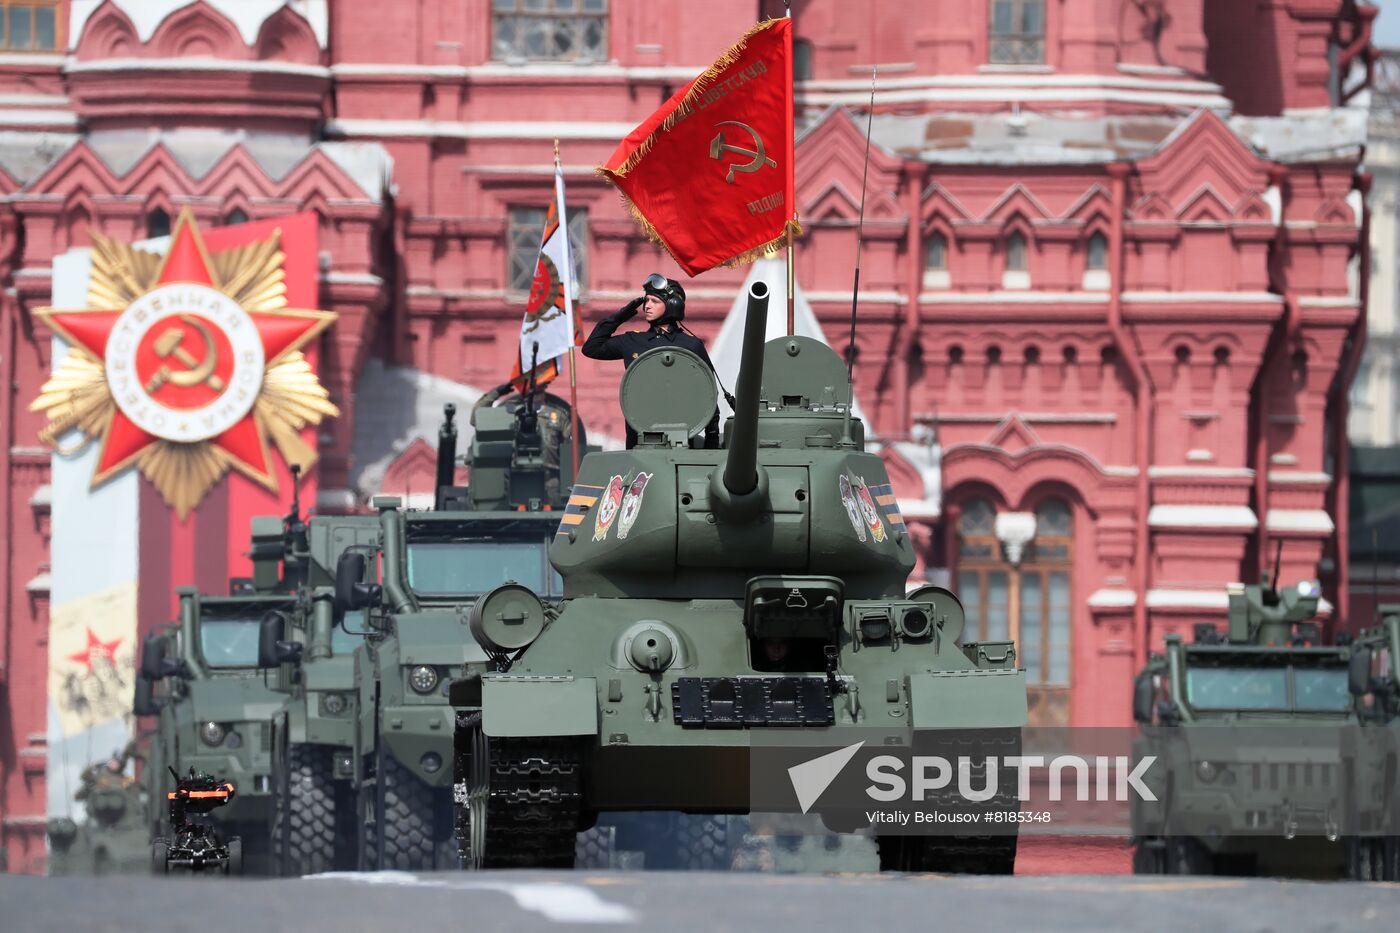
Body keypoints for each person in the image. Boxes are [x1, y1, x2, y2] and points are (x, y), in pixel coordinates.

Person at [581, 274, 722, 448]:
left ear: (673, 305)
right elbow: (591, 348)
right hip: (638, 443)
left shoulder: (691, 345)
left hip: (683, 442)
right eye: (646, 301)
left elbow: (708, 394)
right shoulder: (633, 341)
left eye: (654, 301)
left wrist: (711, 443)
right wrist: (622, 314)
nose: (647, 306)